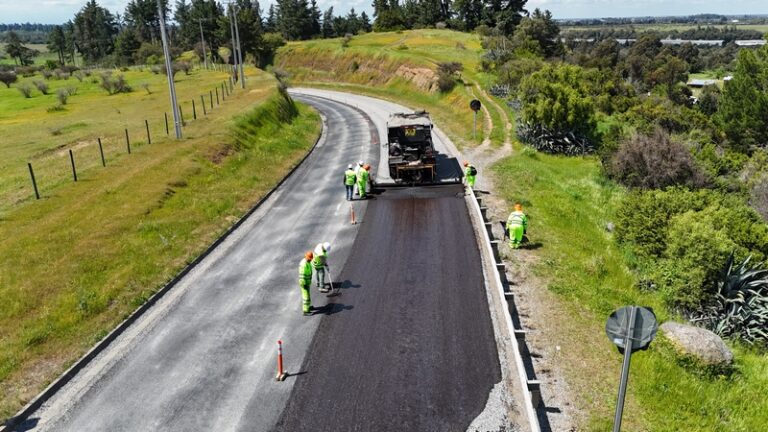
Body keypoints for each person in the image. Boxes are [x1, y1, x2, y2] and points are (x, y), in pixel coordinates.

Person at [298, 251, 314, 316]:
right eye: (310, 259)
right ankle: (306, 311)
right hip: (304, 283)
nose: (311, 260)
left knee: (308, 295)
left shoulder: (307, 262)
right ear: (307, 257)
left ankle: (308, 307)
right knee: (306, 297)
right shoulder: (304, 264)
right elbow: (302, 276)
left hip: (307, 282)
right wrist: (304, 284)